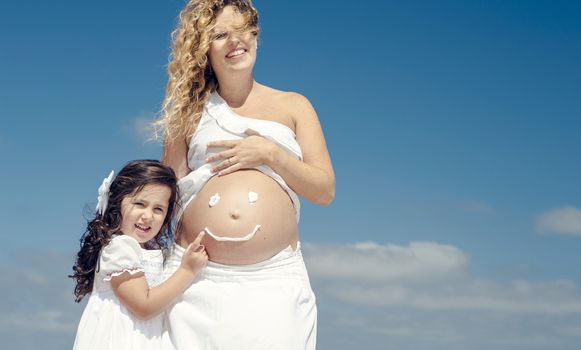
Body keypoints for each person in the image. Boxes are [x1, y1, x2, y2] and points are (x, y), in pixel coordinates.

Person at [156, 0, 335, 348]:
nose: (234, 42)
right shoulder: (189, 113)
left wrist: (270, 154)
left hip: (273, 282)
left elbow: (324, 190)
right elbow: (167, 190)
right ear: (203, 48)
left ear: (255, 34)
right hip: (197, 281)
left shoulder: (295, 105)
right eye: (220, 35)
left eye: (241, 31)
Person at [69, 159, 208, 350]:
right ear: (117, 203)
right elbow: (144, 306)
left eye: (158, 209)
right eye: (140, 204)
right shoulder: (120, 247)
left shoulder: (147, 250)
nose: (148, 215)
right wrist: (187, 270)